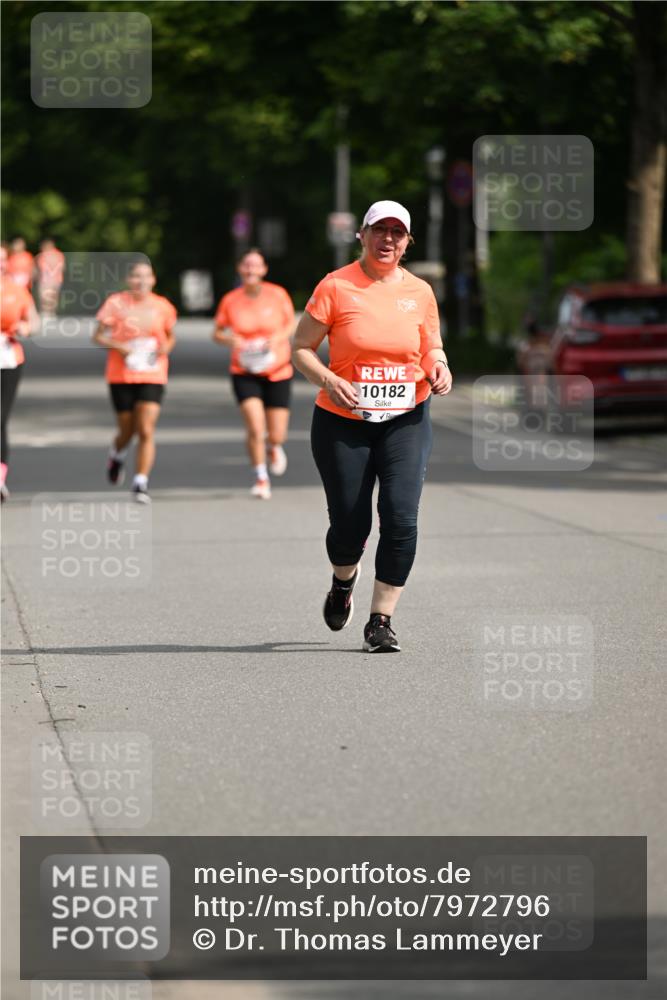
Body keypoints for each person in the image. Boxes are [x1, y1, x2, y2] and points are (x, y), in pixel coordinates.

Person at [293, 200, 452, 652]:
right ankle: (343, 581)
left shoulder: (420, 292)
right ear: (361, 235)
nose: (388, 240)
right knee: (349, 524)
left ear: (407, 242)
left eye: (397, 233)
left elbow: (431, 346)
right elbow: (301, 347)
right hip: (343, 421)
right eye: (379, 230)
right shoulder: (336, 286)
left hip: (407, 418)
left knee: (401, 518)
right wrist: (328, 378)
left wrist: (439, 367)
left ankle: (380, 621)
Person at [213, 248, 295, 499]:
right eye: (246, 265)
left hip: (278, 370)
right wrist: (231, 341)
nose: (251, 270)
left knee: (277, 433)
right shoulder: (231, 300)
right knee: (255, 428)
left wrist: (276, 339)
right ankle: (260, 477)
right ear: (240, 269)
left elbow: (291, 324)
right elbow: (217, 332)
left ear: (263, 270)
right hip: (244, 371)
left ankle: (274, 445)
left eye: (255, 266)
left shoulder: (277, 294)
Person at [93, 260, 177, 503]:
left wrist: (163, 349)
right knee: (127, 429)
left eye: (146, 277)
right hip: (121, 375)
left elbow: (171, 338)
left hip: (153, 373)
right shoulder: (115, 303)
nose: (141, 282)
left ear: (153, 280)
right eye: (136, 277)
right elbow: (97, 336)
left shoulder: (163, 306)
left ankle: (141, 482)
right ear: (128, 280)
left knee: (146, 428)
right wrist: (119, 346)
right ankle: (117, 453)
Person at [1, 245, 39, 500]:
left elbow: (34, 321)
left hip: (8, 359)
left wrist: (26, 327)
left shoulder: (17, 291)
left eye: (3, 260)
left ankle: (0, 477)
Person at [35, 238, 65, 315]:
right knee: (52, 297)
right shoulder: (59, 254)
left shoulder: (42, 255)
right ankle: (51, 313)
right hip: (56, 280)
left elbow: (38, 268)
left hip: (47, 280)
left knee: (45, 297)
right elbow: (63, 267)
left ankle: (47, 313)